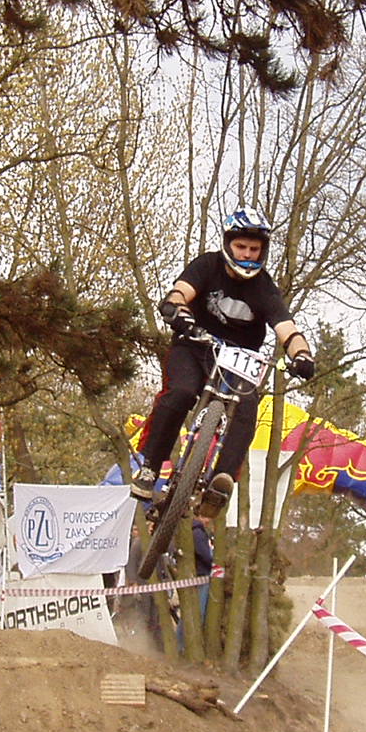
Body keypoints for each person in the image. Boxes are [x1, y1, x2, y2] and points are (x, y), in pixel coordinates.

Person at [128, 207, 314, 515]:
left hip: (239, 358)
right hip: (195, 343)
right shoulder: (207, 265)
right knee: (181, 392)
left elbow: (288, 329)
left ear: (263, 251)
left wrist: (302, 355)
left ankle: (220, 482)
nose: (247, 255)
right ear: (228, 244)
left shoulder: (264, 287)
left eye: (254, 249)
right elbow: (180, 292)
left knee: (246, 408)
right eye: (241, 247)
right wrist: (177, 310)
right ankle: (151, 465)